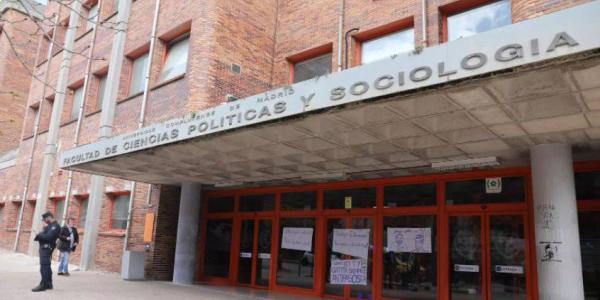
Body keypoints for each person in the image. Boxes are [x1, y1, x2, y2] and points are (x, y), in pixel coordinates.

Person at [32, 211, 61, 292]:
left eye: (45, 219)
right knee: (47, 266)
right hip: (44, 248)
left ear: (49, 217)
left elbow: (48, 237)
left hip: (47, 249)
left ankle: (43, 284)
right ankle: (49, 284)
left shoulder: (55, 226)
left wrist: (38, 234)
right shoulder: (49, 226)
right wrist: (41, 233)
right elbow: (43, 235)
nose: (44, 221)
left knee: (44, 266)